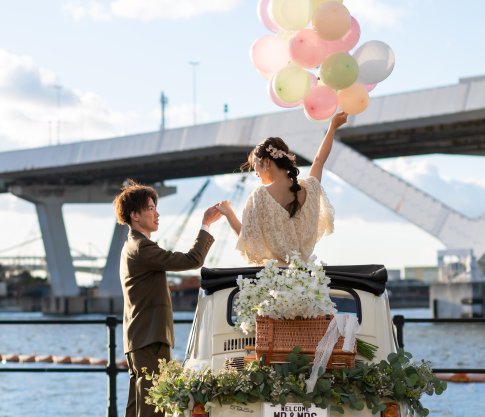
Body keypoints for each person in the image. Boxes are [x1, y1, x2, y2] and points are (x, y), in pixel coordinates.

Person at [113, 180, 222, 417]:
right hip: (150, 336)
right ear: (134, 215)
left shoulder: (132, 245)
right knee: (155, 405)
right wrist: (205, 225)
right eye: (151, 208)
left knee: (139, 404)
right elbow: (192, 260)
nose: (157, 213)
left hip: (140, 336)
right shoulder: (142, 247)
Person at [218, 112, 349, 265]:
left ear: (267, 162)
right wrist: (332, 127)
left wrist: (228, 213)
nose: (256, 173)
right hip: (304, 278)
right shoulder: (308, 190)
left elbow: (248, 240)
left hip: (275, 280)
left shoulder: (259, 196)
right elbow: (319, 160)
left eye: (255, 166)